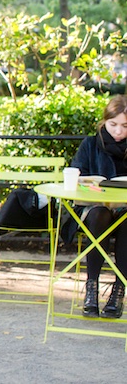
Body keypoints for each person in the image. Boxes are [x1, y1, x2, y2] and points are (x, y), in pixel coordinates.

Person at [73, 94, 127, 318]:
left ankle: (119, 289)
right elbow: (77, 174)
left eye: (125, 126)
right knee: (99, 216)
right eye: (113, 124)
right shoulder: (90, 144)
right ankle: (91, 287)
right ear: (104, 122)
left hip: (124, 208)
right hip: (94, 207)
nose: (118, 131)